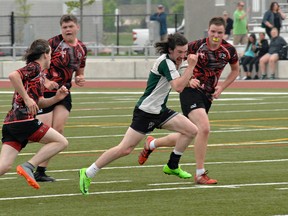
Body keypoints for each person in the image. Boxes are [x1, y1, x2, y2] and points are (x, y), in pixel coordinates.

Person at [79, 33, 199, 195]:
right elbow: (178, 87)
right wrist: (191, 68)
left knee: (191, 130)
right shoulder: (166, 62)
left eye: (185, 52)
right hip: (146, 112)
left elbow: (180, 81)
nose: (183, 56)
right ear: (170, 50)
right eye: (179, 52)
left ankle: (172, 165)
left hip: (160, 110)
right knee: (125, 149)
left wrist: (189, 79)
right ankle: (88, 172)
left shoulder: (176, 61)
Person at [138, 17, 239, 185]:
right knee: (204, 129)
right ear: (208, 30)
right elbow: (177, 61)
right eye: (213, 31)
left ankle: (153, 143)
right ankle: (199, 173)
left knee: (191, 132)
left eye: (219, 32)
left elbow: (235, 70)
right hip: (190, 91)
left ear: (224, 33)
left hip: (207, 95)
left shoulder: (229, 50)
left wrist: (222, 87)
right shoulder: (195, 46)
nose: (216, 35)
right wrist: (189, 78)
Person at [0, 39, 69, 189]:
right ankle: (29, 166)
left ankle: (29, 166)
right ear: (45, 54)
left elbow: (40, 102)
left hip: (11, 124)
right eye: (50, 53)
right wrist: (26, 98)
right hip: (24, 121)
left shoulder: (40, 75)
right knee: (61, 142)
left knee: (3, 167)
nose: (51, 57)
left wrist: (57, 98)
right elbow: (13, 75)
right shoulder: (35, 67)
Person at [34, 14, 87, 182]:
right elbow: (36, 68)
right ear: (61, 29)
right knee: (44, 131)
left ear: (77, 27)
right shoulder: (52, 44)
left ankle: (40, 171)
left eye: (71, 26)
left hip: (63, 92)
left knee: (58, 131)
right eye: (65, 27)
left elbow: (80, 72)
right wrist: (47, 81)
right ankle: (14, 145)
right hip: (44, 92)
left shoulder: (82, 48)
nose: (68, 30)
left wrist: (80, 79)